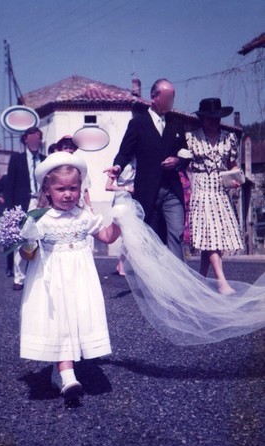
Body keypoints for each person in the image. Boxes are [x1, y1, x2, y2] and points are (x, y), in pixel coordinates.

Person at [19, 152, 121, 401]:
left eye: (73, 188)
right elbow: (28, 255)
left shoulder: (83, 216)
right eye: (61, 188)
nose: (68, 194)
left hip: (80, 277)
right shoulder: (41, 218)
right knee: (59, 322)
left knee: (76, 320)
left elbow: (107, 237)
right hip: (52, 278)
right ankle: (68, 377)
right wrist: (27, 239)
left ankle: (59, 374)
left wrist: (120, 219)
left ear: (80, 188)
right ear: (48, 189)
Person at [104, 79, 188, 261]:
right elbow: (124, 153)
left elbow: (186, 153)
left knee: (177, 234)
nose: (170, 101)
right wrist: (117, 168)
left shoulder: (176, 123)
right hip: (147, 192)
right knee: (151, 238)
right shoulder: (138, 124)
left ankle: (178, 282)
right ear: (154, 97)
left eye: (172, 97)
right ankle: (155, 282)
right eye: (166, 97)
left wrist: (178, 161)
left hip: (172, 191)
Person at [186, 98, 243, 295]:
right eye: (210, 118)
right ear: (202, 119)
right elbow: (184, 164)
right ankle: (221, 281)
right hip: (201, 188)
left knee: (213, 237)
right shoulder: (191, 138)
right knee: (210, 234)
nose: (214, 122)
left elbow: (233, 164)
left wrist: (235, 179)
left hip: (220, 190)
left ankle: (200, 280)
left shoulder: (229, 138)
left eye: (217, 118)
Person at [5, 126, 45, 290]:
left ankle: (39, 276)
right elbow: (10, 185)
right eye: (33, 137)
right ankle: (19, 278)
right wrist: (11, 209)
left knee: (40, 238)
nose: (36, 140)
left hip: (41, 203)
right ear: (26, 140)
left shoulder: (44, 159)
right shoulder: (16, 159)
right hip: (23, 204)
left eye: (39, 138)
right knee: (21, 240)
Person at [105, 159, 136, 275]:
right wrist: (126, 188)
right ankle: (122, 264)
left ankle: (121, 263)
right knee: (125, 232)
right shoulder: (119, 165)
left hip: (132, 201)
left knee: (130, 234)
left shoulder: (139, 161)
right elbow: (107, 187)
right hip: (121, 200)